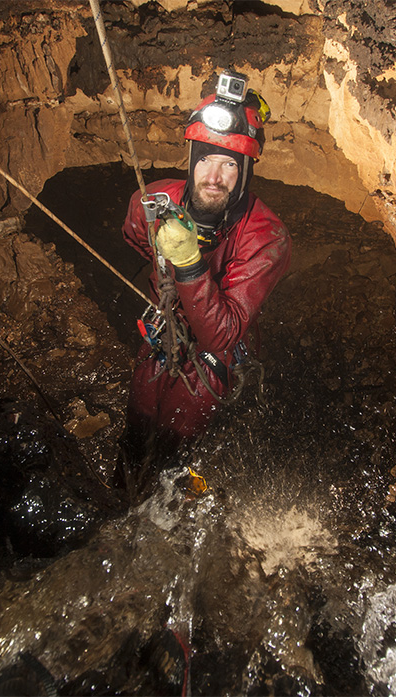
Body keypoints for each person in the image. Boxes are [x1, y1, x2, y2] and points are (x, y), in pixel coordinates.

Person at [118, 71, 291, 494]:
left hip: (221, 354)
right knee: (139, 418)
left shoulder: (267, 236)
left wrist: (190, 265)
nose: (214, 177)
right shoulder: (155, 203)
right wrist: (169, 273)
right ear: (192, 158)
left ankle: (179, 515)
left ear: (247, 170)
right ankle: (119, 497)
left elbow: (223, 334)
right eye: (207, 160)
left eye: (230, 164)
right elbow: (135, 233)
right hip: (166, 332)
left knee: (184, 433)